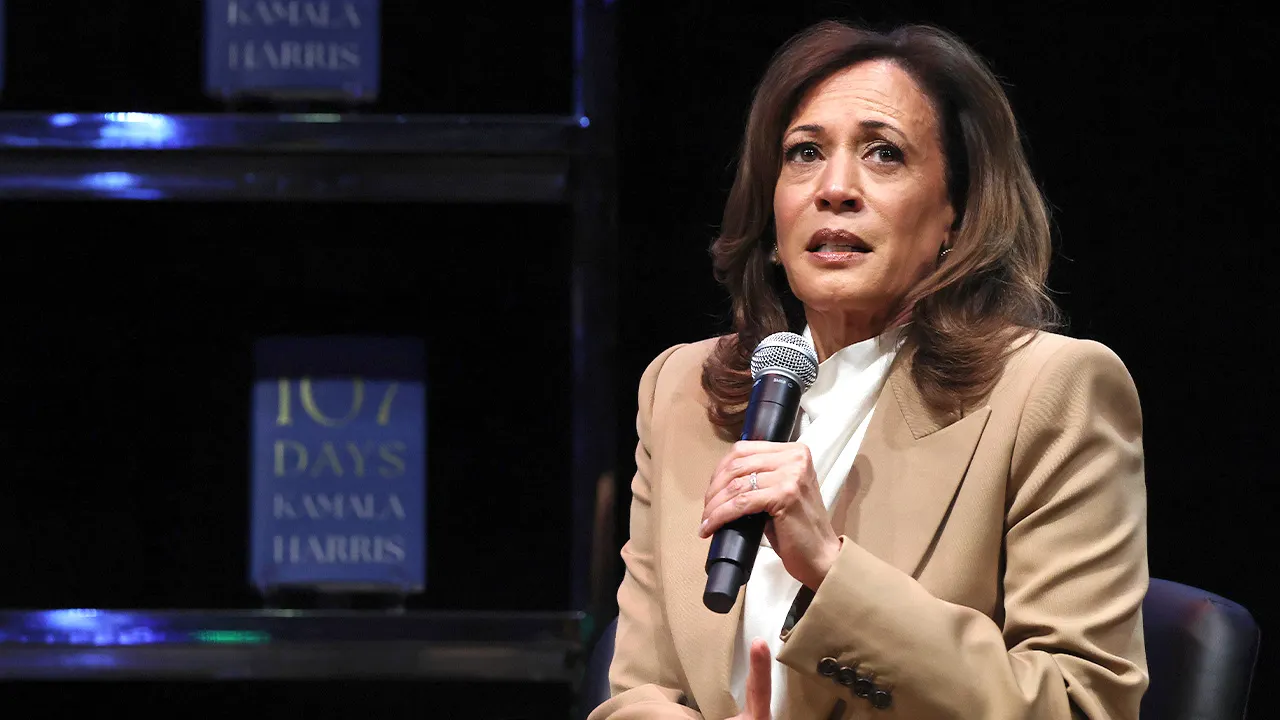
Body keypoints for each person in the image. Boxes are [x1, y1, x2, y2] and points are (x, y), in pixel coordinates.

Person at [590, 18, 1148, 720]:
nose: (835, 189)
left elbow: (1079, 705)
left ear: (956, 214)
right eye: (804, 153)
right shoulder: (681, 389)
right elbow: (635, 692)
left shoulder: (1052, 390)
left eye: (884, 153)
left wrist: (830, 569)